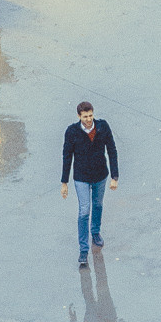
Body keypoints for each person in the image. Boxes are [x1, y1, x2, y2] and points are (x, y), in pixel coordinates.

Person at [61, 101, 120, 265]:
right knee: (84, 210)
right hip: (81, 177)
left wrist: (115, 177)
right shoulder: (72, 132)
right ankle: (83, 249)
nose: (88, 119)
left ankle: (95, 232)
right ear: (79, 116)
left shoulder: (102, 127)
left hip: (100, 175)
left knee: (98, 205)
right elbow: (67, 157)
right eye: (85, 116)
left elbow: (112, 150)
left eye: (90, 116)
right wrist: (64, 182)